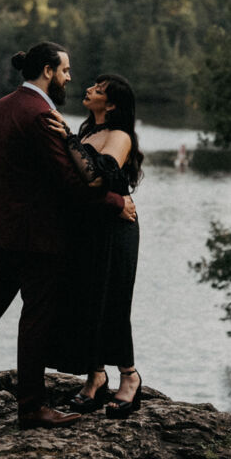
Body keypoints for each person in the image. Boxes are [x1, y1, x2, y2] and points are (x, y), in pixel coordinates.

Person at [0, 42, 137, 430]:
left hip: (5, 227)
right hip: (39, 233)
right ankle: (31, 406)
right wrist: (116, 202)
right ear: (48, 71)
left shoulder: (0, 107)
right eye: (64, 71)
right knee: (36, 315)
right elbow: (72, 182)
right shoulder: (41, 114)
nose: (68, 78)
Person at [46, 74, 145, 419]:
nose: (89, 90)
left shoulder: (120, 136)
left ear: (112, 104)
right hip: (87, 227)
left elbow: (95, 176)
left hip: (115, 230)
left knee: (113, 301)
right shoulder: (87, 132)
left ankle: (129, 377)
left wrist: (67, 137)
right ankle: (96, 376)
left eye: (98, 90)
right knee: (87, 300)